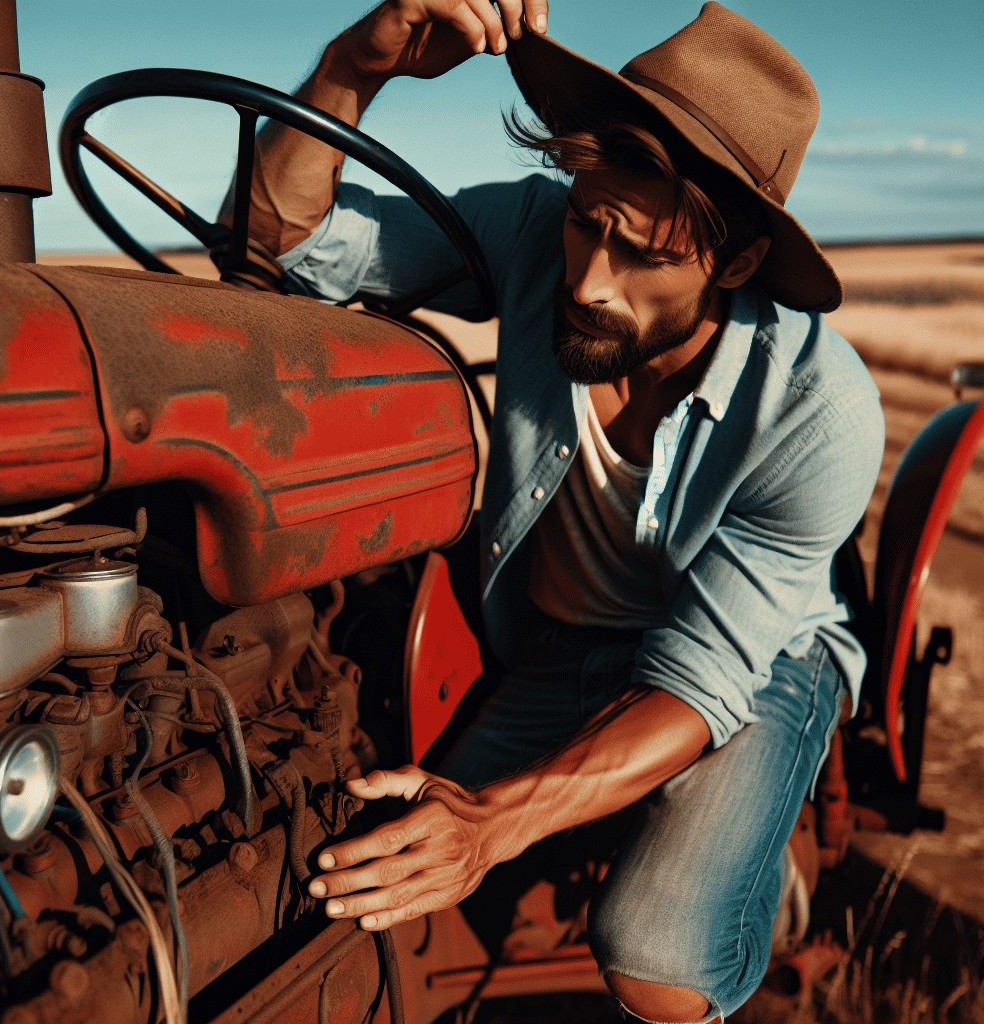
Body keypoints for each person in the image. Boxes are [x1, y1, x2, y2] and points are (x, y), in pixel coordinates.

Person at [220, 3, 883, 1020]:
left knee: (655, 956)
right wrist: (353, 69)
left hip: (752, 664)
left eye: (643, 254)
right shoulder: (534, 236)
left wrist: (489, 822)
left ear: (738, 264)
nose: (586, 281)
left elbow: (698, 680)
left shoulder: (815, 408)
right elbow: (294, 246)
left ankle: (752, 903)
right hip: (556, 644)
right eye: (586, 221)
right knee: (365, 874)